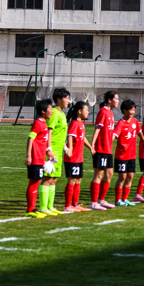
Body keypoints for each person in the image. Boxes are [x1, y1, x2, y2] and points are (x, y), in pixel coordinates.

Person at [39, 88, 71, 216]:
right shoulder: (54, 113)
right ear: (58, 99)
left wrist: (65, 147)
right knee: (47, 178)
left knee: (54, 179)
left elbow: (60, 134)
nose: (68, 101)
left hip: (58, 151)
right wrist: (49, 149)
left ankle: (50, 206)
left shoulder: (62, 114)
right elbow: (49, 131)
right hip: (52, 151)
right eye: (66, 98)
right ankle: (43, 207)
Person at [25, 99, 56, 218]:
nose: (52, 111)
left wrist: (48, 152)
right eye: (50, 109)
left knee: (36, 183)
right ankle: (30, 210)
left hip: (40, 159)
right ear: (43, 111)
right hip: (35, 159)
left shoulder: (44, 123)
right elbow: (31, 138)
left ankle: (33, 209)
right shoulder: (37, 123)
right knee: (33, 183)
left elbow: (41, 141)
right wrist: (29, 156)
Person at [90, 91, 119, 210]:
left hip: (108, 149)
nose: (118, 101)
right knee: (99, 174)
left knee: (109, 174)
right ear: (109, 100)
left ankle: (101, 200)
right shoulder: (103, 112)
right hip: (101, 148)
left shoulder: (111, 113)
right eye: (116, 99)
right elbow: (97, 128)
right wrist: (93, 145)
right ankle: (93, 202)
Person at [63, 101, 92, 212]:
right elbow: (70, 136)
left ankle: (75, 204)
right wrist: (70, 149)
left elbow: (82, 137)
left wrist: (90, 147)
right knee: (72, 180)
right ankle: (67, 205)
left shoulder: (81, 123)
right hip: (72, 158)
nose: (88, 112)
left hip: (79, 157)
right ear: (80, 111)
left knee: (78, 180)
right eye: (86, 110)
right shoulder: (74, 123)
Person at [112, 99, 141, 206]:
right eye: (130, 110)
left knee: (130, 177)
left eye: (133, 110)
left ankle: (125, 199)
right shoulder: (121, 123)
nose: (132, 112)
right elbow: (115, 135)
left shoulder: (135, 121)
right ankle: (117, 200)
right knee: (122, 178)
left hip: (132, 155)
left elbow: (139, 131)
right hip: (122, 156)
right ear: (124, 110)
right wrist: (109, 142)